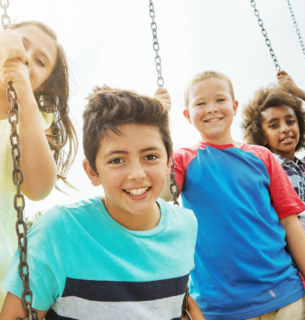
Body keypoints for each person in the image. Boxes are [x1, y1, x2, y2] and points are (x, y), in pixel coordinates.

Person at [0, 86, 204, 320]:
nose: (137, 173)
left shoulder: (186, 224)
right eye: (117, 160)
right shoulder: (59, 231)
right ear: (93, 172)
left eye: (150, 156)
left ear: (169, 162)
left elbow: (177, 300)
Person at [160, 70, 305, 320]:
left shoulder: (262, 157)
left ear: (234, 107)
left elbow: (291, 224)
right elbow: (160, 193)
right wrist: (157, 122)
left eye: (220, 100)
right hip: (222, 308)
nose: (211, 108)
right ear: (187, 116)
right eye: (200, 103)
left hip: (287, 295)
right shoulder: (183, 159)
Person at [0, 21, 77, 310]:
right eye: (20, 43)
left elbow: (38, 187)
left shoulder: (34, 124)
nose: (26, 57)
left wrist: (22, 92)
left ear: (43, 84)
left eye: (40, 61)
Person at [242, 70, 305, 298]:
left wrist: (298, 93)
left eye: (290, 121)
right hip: (293, 265)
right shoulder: (262, 168)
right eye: (274, 125)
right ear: (262, 135)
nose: (285, 128)